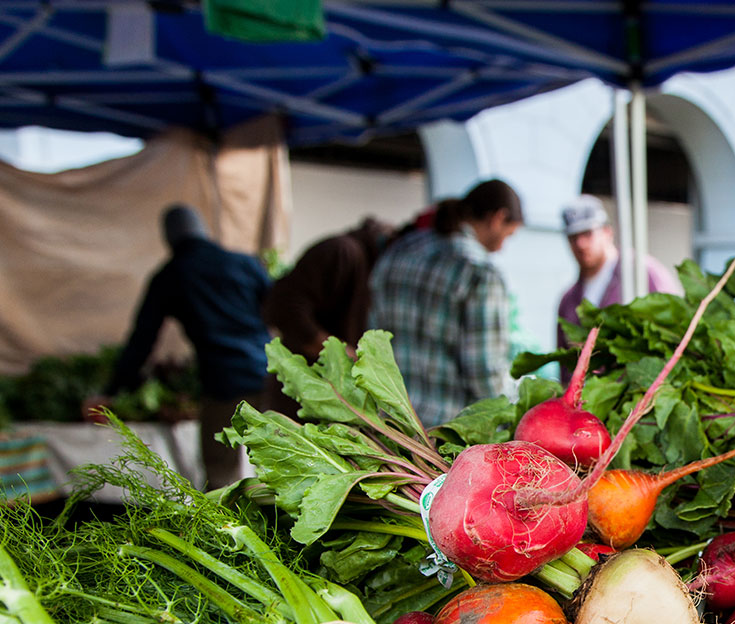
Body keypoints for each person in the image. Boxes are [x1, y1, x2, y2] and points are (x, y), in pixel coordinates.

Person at [99, 204, 271, 490]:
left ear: (169, 237)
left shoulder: (171, 275)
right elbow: (278, 309)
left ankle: (225, 533)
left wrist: (112, 390)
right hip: (269, 373)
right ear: (202, 229)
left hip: (223, 383)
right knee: (281, 468)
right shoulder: (244, 263)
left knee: (220, 478)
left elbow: (142, 341)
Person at [368, 179, 523, 428]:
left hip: (389, 426)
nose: (503, 246)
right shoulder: (480, 273)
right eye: (509, 234)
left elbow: (372, 342)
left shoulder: (397, 252)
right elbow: (485, 373)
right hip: (447, 435)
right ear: (497, 218)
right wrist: (511, 417)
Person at [555, 194, 682, 348]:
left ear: (608, 232)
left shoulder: (643, 274)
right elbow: (564, 362)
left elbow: (675, 334)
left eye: (587, 233)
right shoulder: (569, 301)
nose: (581, 244)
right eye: (573, 237)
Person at [263, 216, 394, 360]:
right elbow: (283, 307)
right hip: (306, 377)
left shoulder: (381, 273)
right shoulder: (342, 252)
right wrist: (341, 356)